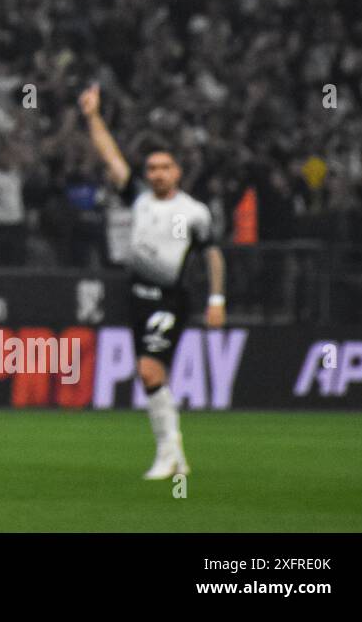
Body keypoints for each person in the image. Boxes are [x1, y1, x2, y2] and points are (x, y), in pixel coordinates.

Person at [79, 83, 226, 479]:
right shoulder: (140, 200)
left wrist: (216, 300)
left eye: (165, 167)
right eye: (152, 169)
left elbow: (212, 253)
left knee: (148, 372)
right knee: (150, 377)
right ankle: (174, 455)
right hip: (137, 296)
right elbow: (110, 157)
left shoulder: (193, 211)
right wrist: (93, 116)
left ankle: (168, 454)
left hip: (170, 299)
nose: (158, 174)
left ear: (177, 172)